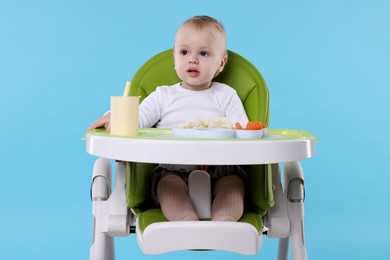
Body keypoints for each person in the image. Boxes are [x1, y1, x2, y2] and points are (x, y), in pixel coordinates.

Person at [88, 15, 249, 222]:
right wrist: (114, 117)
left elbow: (246, 133)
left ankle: (224, 224)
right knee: (167, 184)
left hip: (222, 169)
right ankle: (186, 222)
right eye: (184, 52)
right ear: (174, 59)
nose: (192, 59)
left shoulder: (226, 95)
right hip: (173, 169)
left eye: (204, 53)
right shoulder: (163, 96)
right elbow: (136, 120)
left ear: (221, 63)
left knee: (233, 185)